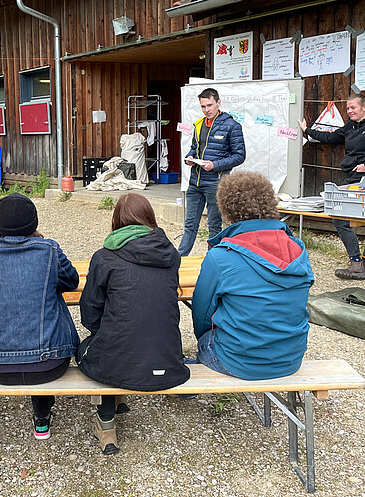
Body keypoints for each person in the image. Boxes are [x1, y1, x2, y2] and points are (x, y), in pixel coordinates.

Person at [78, 193, 189, 455]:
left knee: (101, 345)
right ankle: (119, 400)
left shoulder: (104, 257)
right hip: (167, 359)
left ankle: (106, 422)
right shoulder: (171, 255)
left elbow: (89, 313)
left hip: (116, 361)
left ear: (116, 220)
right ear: (149, 218)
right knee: (121, 337)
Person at [0, 193, 79, 440]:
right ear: (34, 223)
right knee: (49, 307)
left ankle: (42, 416)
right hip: (50, 363)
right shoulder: (49, 249)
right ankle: (41, 417)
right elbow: (72, 281)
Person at [192, 172, 314, 380]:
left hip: (239, 362)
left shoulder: (221, 256)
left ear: (225, 208)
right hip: (291, 359)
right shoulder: (298, 249)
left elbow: (202, 316)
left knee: (206, 340)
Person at [299, 94, 365, 279]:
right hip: (352, 177)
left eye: (353, 107)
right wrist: (308, 130)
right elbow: (331, 138)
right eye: (348, 108)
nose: (350, 111)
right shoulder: (351, 126)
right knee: (339, 217)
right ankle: (355, 261)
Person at [178, 87, 246, 256]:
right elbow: (194, 148)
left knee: (214, 226)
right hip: (195, 182)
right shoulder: (198, 124)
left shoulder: (232, 126)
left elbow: (239, 155)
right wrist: (190, 157)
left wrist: (215, 165)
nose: (206, 110)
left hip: (216, 183)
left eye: (209, 105)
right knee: (189, 224)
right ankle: (179, 259)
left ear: (218, 103)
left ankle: (213, 262)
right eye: (203, 106)